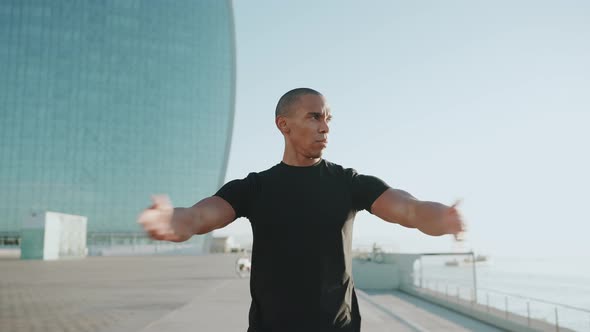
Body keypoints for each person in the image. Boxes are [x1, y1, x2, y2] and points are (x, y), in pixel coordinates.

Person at [137, 88, 465, 332]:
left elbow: (409, 210)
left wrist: (442, 218)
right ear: (284, 125)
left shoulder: (349, 184)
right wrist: (172, 220)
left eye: (328, 118)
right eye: (314, 116)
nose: (325, 127)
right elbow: (197, 217)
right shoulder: (253, 188)